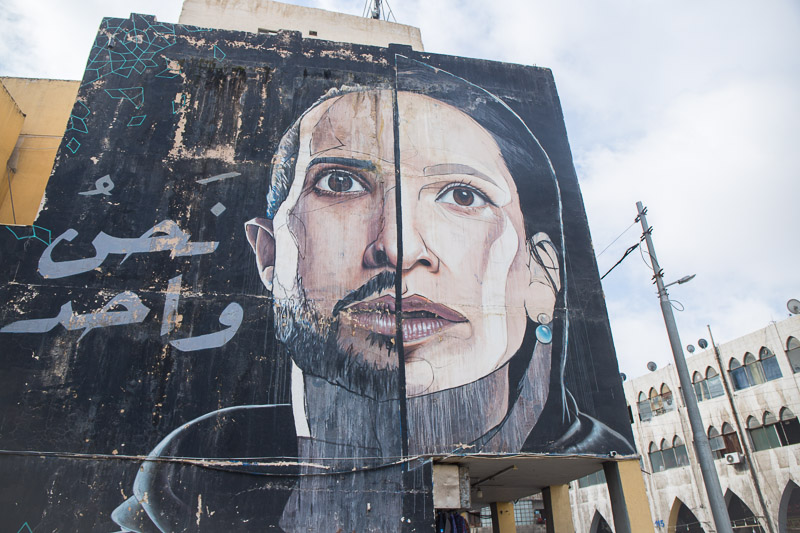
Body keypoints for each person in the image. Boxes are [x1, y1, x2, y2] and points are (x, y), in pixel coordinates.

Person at [112, 59, 633, 533]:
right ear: (269, 253)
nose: (399, 247)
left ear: (541, 275)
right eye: (340, 183)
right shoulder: (171, 496)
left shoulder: (592, 458)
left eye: (463, 195)